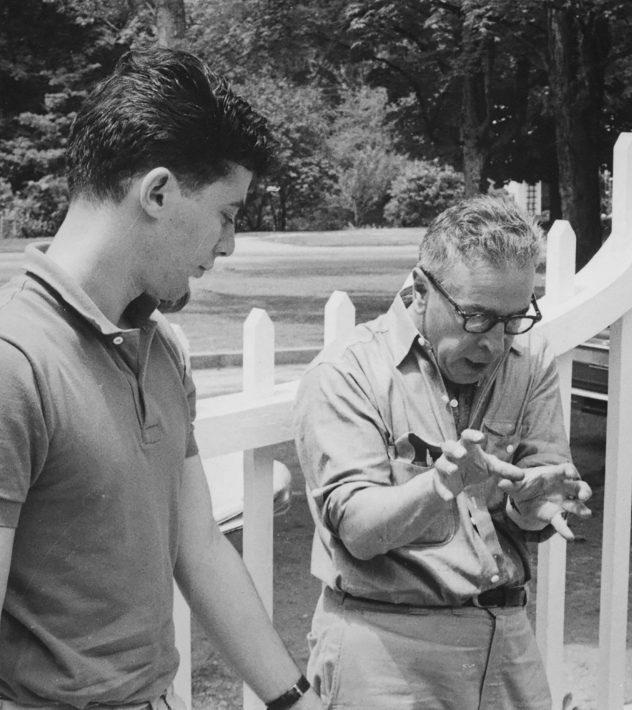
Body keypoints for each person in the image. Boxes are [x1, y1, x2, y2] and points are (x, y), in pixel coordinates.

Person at [0, 48, 318, 709]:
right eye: (228, 214)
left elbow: (199, 547)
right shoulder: (15, 361)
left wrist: (295, 701)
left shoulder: (161, 349)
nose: (228, 245)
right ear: (159, 192)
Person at [293, 194, 592, 709]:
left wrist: (534, 505)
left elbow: (537, 494)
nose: (496, 343)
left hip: (505, 637)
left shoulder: (530, 357)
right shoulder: (347, 372)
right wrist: (439, 485)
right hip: (383, 647)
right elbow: (359, 532)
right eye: (477, 318)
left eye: (514, 318)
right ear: (419, 290)